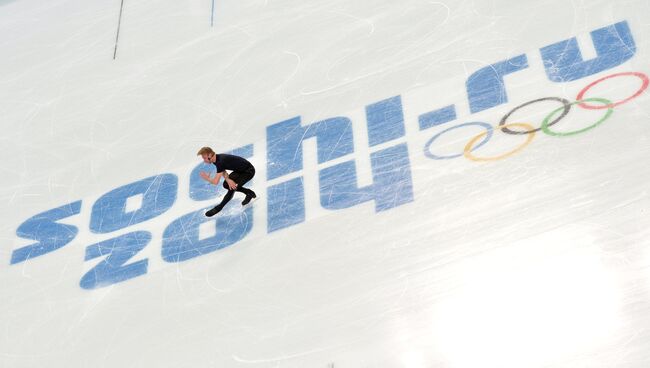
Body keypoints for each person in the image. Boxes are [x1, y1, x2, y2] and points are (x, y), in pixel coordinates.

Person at [197, 147, 257, 217]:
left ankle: (218, 208)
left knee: (231, 188)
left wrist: (207, 178)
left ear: (210, 155)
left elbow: (215, 182)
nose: (204, 160)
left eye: (204, 158)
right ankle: (248, 192)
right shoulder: (216, 159)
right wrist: (228, 180)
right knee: (226, 184)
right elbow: (223, 171)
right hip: (240, 171)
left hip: (248, 172)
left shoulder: (220, 161)